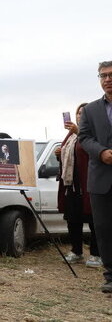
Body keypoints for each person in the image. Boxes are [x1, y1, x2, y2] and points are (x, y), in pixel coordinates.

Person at [78, 61, 112, 293]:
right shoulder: (90, 110)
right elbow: (84, 137)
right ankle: (110, 276)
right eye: (103, 75)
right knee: (104, 229)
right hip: (101, 179)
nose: (107, 79)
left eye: (111, 75)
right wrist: (101, 152)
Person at [55, 103, 101, 268]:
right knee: (73, 220)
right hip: (71, 186)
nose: (81, 115)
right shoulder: (70, 135)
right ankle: (76, 252)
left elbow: (95, 150)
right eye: (78, 113)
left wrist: (78, 131)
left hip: (89, 185)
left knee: (94, 221)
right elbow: (70, 157)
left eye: (84, 112)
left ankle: (96, 254)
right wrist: (59, 155)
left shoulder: (93, 133)